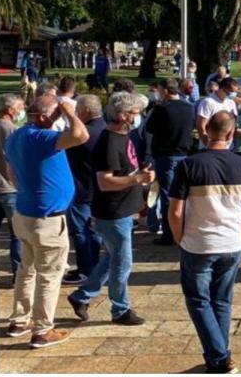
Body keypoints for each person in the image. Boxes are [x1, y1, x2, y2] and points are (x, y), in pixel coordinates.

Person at [168, 111, 241, 374]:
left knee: (198, 300)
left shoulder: (189, 165)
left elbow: (175, 211)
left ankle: (219, 356)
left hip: (198, 242)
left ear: (206, 131)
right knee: (221, 301)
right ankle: (219, 355)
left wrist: (178, 236)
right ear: (232, 134)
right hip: (231, 242)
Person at [4, 95, 90, 347]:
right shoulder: (43, 139)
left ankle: (19, 321)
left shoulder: (16, 136)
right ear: (44, 117)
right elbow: (80, 135)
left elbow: (10, 171)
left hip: (25, 213)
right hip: (48, 219)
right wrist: (69, 113)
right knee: (49, 276)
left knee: (26, 270)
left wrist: (54, 115)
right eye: (54, 115)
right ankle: (43, 330)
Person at [67, 92, 154, 326]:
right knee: (122, 263)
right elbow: (105, 182)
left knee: (112, 259)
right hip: (112, 212)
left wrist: (142, 176)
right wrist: (137, 179)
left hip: (124, 210)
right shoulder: (108, 142)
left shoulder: (124, 137)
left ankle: (81, 296)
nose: (139, 117)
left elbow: (127, 171)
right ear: (124, 115)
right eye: (135, 113)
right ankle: (120, 309)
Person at [61, 95, 108, 285]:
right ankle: (93, 266)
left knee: (80, 231)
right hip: (99, 187)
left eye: (78, 110)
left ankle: (86, 269)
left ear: (86, 111)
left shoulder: (82, 134)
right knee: (93, 230)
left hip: (81, 188)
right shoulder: (105, 129)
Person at [143, 78, 195, 246]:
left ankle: (169, 233)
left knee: (168, 195)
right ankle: (183, 227)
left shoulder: (161, 109)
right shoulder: (189, 107)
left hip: (167, 155)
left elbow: (149, 129)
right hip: (185, 154)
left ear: (165, 91)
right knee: (183, 193)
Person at [0, 94, 26, 283]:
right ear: (10, 110)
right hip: (8, 188)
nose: (21, 111)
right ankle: (19, 274)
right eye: (20, 107)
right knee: (18, 234)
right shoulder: (11, 131)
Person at [195, 78, 239, 148]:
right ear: (223, 89)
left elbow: (233, 123)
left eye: (236, 92)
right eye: (232, 92)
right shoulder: (208, 102)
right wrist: (207, 145)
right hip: (210, 148)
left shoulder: (231, 102)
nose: (234, 94)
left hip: (227, 148)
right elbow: (200, 126)